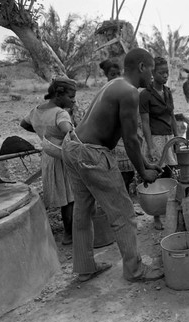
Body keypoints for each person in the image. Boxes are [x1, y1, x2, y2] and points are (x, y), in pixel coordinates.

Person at [61, 48, 164, 283]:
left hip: (73, 146)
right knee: (124, 213)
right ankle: (135, 270)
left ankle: (85, 267)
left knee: (83, 209)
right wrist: (143, 171)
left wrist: (145, 162)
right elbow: (130, 140)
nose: (152, 76)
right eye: (151, 70)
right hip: (92, 154)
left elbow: (130, 140)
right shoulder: (130, 93)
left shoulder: (115, 84)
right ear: (141, 67)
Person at [20, 77, 76, 246]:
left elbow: (24, 124)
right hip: (62, 156)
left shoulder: (36, 110)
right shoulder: (61, 113)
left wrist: (42, 132)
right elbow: (70, 133)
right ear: (59, 95)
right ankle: (70, 234)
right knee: (70, 198)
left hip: (48, 156)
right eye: (71, 97)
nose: (73, 101)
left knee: (63, 197)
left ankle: (68, 233)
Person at [139, 56, 178, 230]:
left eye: (167, 73)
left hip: (168, 138)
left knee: (170, 175)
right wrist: (151, 145)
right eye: (161, 73)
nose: (165, 76)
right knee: (156, 175)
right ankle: (156, 216)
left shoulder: (168, 91)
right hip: (154, 139)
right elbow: (145, 122)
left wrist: (177, 139)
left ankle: (168, 211)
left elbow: (172, 117)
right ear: (153, 73)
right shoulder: (145, 95)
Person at [99, 59, 136, 194]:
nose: (115, 78)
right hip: (112, 142)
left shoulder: (124, 91)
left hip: (124, 141)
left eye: (118, 74)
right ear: (106, 76)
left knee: (128, 175)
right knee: (117, 178)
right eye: (112, 74)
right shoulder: (104, 93)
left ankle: (125, 205)